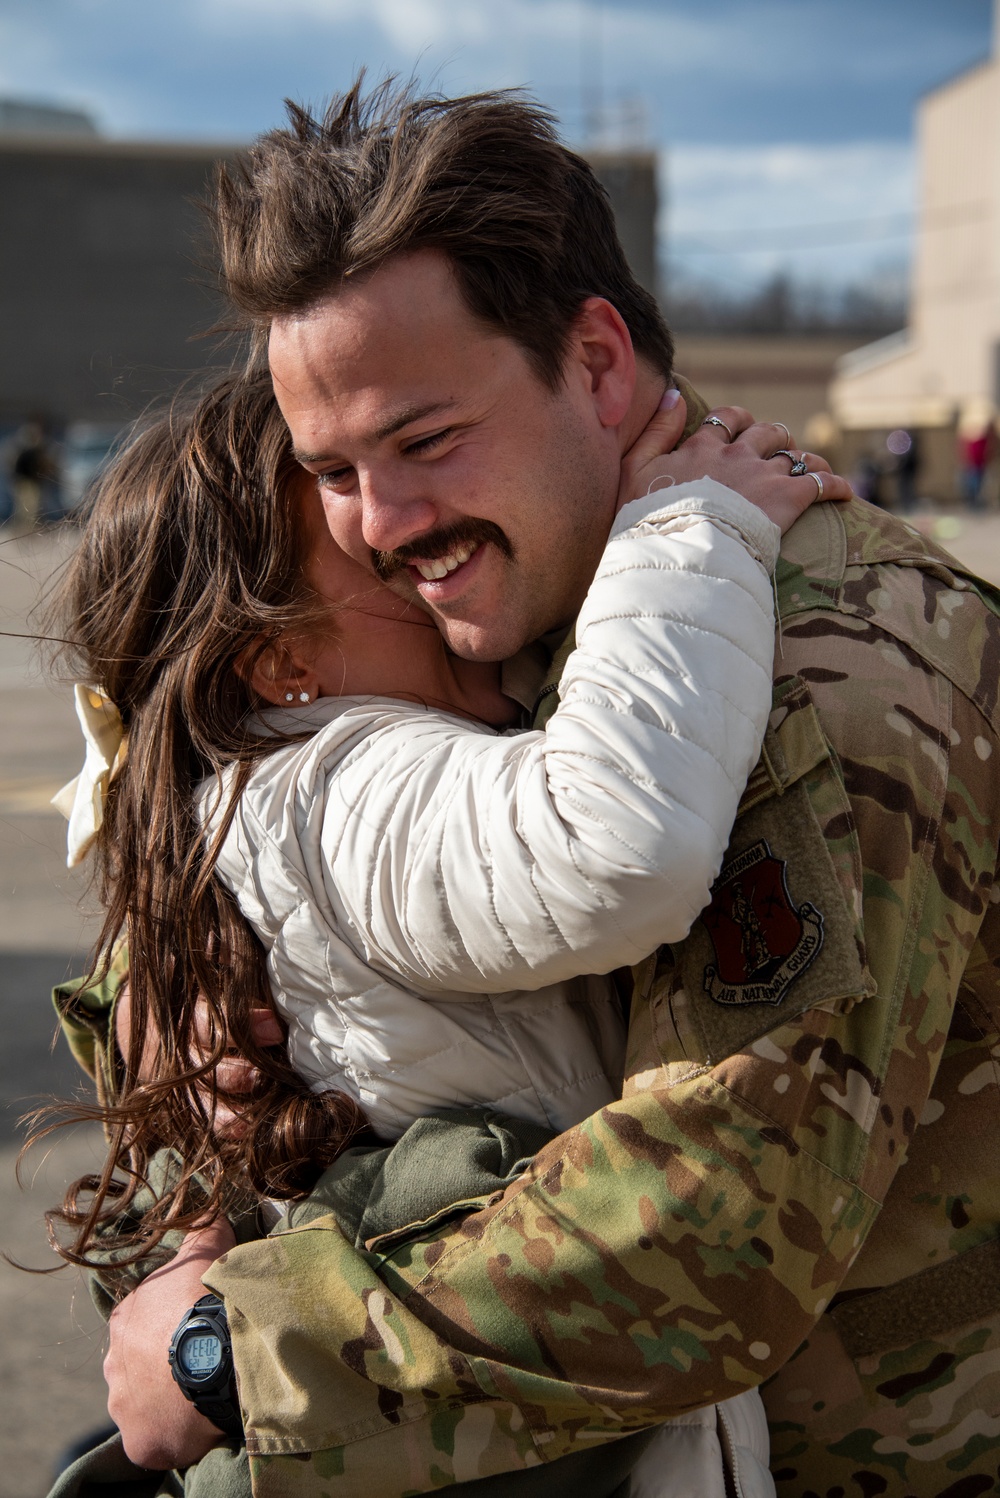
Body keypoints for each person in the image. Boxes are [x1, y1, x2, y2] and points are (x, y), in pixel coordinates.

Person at [82, 83, 1000, 1496]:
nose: (380, 527)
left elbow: (710, 1230)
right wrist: (175, 982)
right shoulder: (549, 619)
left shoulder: (826, 665)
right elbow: (225, 751)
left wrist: (231, 1353)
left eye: (425, 438)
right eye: (332, 470)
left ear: (597, 360)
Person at [48, 372, 836, 1498]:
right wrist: (690, 518)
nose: (414, 548)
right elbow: (609, 839)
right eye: (371, 559)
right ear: (279, 664)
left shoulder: (279, 780)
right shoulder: (342, 777)